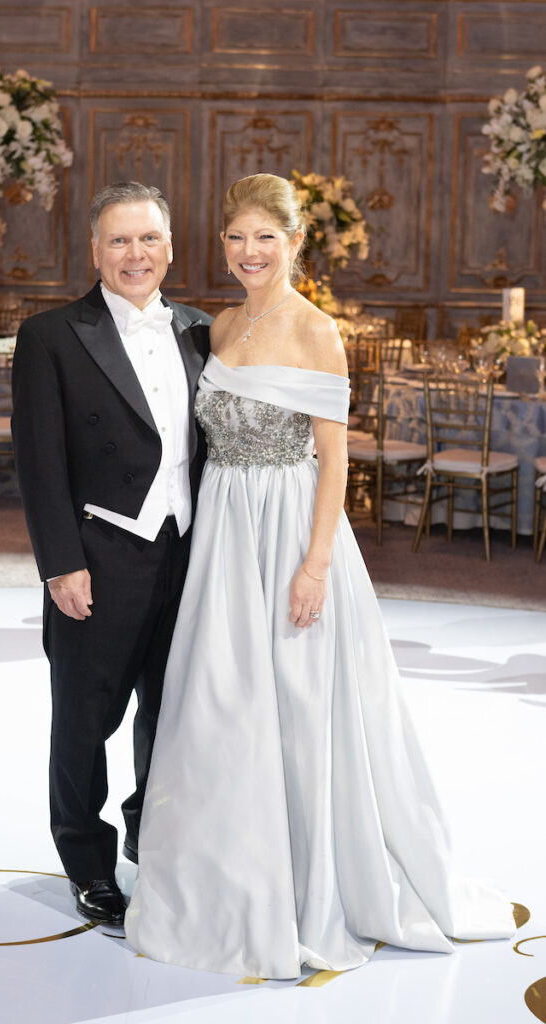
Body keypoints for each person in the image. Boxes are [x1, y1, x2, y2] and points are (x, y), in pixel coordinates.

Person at [125, 173, 516, 978]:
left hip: (292, 531)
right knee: (221, 703)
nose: (247, 252)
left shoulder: (319, 332)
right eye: (234, 237)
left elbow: (333, 459)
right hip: (224, 534)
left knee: (299, 705)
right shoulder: (219, 324)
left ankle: (306, 881)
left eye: (263, 237)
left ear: (294, 242)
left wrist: (315, 566)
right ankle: (225, 878)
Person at [11, 181, 212, 926]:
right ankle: (87, 863)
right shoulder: (52, 336)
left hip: (187, 555)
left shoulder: (199, 329)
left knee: (169, 716)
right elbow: (39, 461)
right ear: (94, 251)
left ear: (170, 246)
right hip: (98, 556)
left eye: (149, 239)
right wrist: (60, 563)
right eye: (120, 241)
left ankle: (150, 844)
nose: (136, 254)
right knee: (83, 719)